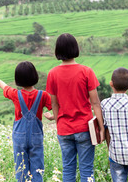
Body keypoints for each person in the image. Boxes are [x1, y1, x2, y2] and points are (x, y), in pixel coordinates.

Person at [0, 61, 52, 182]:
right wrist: (52, 117)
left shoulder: (15, 94)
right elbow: (59, 109)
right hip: (36, 137)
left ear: (18, 79)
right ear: (35, 76)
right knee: (37, 169)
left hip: (19, 137)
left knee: (21, 169)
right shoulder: (43, 95)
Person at [45, 33, 105, 182]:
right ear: (75, 49)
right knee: (86, 171)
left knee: (68, 170)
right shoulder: (86, 71)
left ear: (57, 50)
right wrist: (101, 127)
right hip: (84, 128)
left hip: (64, 129)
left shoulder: (52, 74)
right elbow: (95, 103)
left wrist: (58, 125)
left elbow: (54, 104)